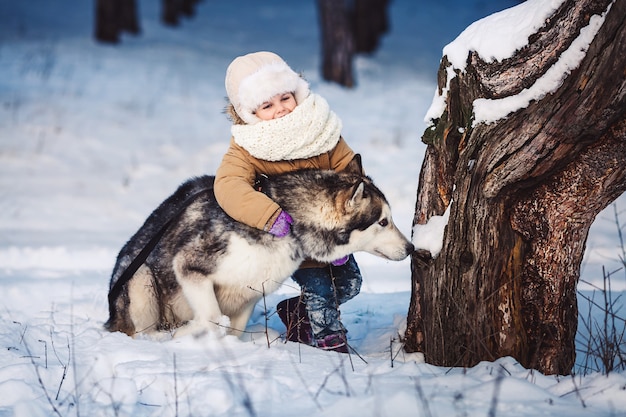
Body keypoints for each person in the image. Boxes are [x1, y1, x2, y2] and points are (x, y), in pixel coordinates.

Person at [214, 51, 363, 353]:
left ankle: (297, 313)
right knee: (320, 288)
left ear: (297, 91)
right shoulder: (247, 146)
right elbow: (229, 186)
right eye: (267, 105)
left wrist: (341, 232)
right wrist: (269, 216)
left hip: (331, 230)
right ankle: (329, 341)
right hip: (291, 235)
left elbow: (349, 174)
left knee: (349, 284)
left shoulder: (320, 128)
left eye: (285, 98)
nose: (280, 109)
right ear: (249, 112)